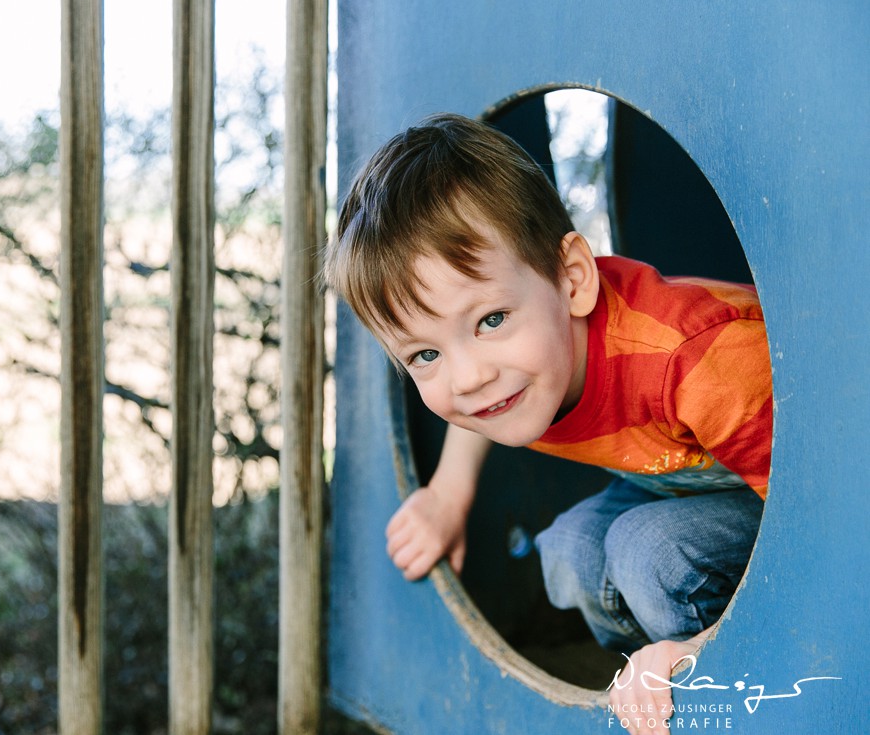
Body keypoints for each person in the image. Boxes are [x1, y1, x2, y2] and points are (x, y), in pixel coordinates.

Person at [324, 112, 771, 735]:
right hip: (681, 468)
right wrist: (450, 495)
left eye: (490, 321)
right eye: (425, 355)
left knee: (650, 555)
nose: (468, 378)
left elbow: (825, 525)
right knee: (569, 550)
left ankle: (719, 683)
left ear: (573, 280)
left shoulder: (693, 361)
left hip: (794, 480)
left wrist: (700, 652)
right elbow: (469, 409)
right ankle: (647, 674)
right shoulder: (515, 372)